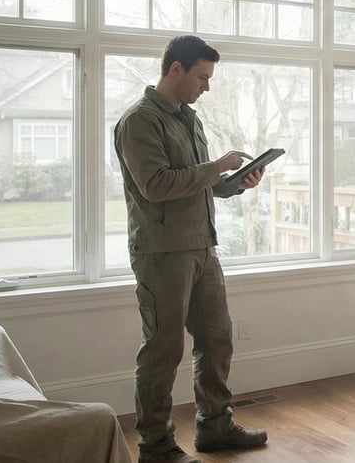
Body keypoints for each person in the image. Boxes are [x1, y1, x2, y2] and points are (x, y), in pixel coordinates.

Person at [113, 35, 268, 463]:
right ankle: (155, 445)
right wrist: (215, 166)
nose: (207, 86)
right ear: (176, 69)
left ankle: (215, 427)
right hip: (162, 252)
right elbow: (157, 185)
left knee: (217, 339)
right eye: (202, 76)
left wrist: (234, 184)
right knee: (163, 349)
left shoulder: (189, 119)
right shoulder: (139, 121)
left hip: (203, 246)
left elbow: (204, 185)